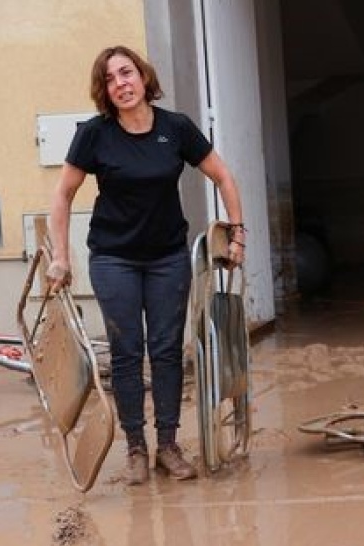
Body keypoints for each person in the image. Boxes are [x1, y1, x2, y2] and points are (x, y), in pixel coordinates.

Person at [46, 46, 246, 485]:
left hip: (167, 258)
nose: (121, 83)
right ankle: (136, 447)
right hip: (114, 258)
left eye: (127, 72)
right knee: (127, 351)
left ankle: (168, 446)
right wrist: (61, 256)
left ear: (143, 76)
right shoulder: (95, 134)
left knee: (166, 350)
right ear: (105, 90)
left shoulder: (176, 129)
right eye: (111, 78)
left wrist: (237, 232)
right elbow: (62, 194)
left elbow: (224, 176)